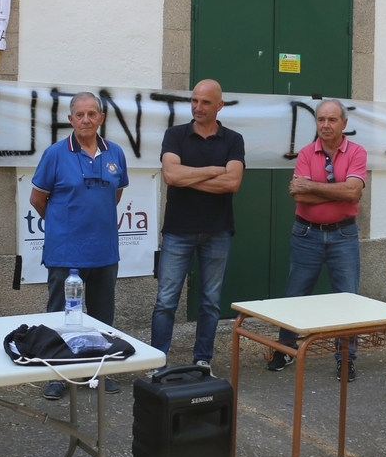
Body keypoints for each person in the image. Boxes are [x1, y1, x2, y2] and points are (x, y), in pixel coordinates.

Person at [30, 92, 130, 400]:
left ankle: (98, 370)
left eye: (92, 114)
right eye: (79, 114)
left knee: (102, 316)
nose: (86, 119)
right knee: (61, 316)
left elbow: (115, 195)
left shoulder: (115, 153)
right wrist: (63, 225)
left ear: (101, 118)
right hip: (65, 252)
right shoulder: (55, 154)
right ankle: (58, 374)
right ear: (71, 119)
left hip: (104, 251)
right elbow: (37, 199)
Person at [266, 99, 367, 381]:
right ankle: (286, 349)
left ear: (344, 123)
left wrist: (313, 186)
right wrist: (339, 191)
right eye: (321, 119)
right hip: (306, 234)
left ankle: (345, 358)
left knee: (347, 299)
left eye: (332, 120)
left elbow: (354, 193)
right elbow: (299, 195)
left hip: (344, 235)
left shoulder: (357, 152)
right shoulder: (306, 153)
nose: (326, 125)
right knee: (295, 295)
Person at [150, 80, 245, 372]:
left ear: (219, 106)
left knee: (210, 302)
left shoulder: (233, 139)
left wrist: (189, 177)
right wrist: (213, 171)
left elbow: (233, 182)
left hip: (217, 230)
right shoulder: (175, 135)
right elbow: (171, 176)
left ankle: (203, 359)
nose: (198, 107)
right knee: (166, 301)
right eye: (194, 101)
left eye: (205, 102)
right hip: (178, 230)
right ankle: (157, 361)